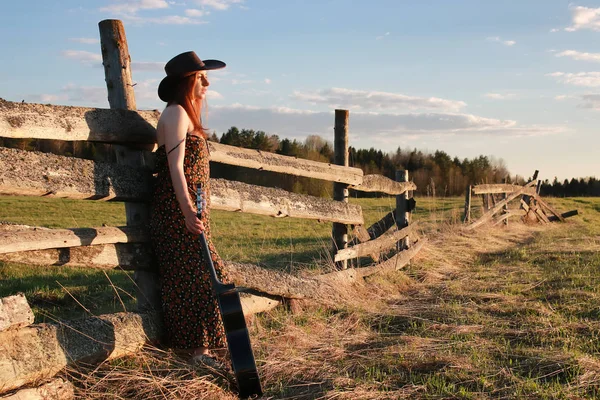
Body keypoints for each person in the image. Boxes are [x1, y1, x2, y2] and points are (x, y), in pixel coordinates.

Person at [150, 51, 230, 365]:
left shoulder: (185, 114)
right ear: (187, 81)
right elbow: (176, 168)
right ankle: (202, 354)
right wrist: (186, 211)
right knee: (203, 279)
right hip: (176, 214)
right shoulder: (176, 114)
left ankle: (207, 355)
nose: (207, 83)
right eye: (200, 77)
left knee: (198, 281)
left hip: (190, 213)